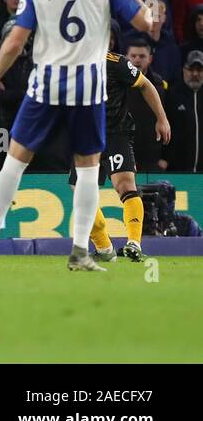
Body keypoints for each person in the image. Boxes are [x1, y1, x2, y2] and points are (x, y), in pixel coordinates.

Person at [0, 0, 151, 272]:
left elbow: (16, 41)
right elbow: (147, 24)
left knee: (15, 162)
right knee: (87, 171)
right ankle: (81, 252)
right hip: (89, 89)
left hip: (46, 84)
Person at [70, 50, 171, 264]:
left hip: (116, 133)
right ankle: (105, 248)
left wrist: (161, 118)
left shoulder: (116, 63)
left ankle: (134, 242)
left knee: (125, 185)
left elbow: (145, 85)